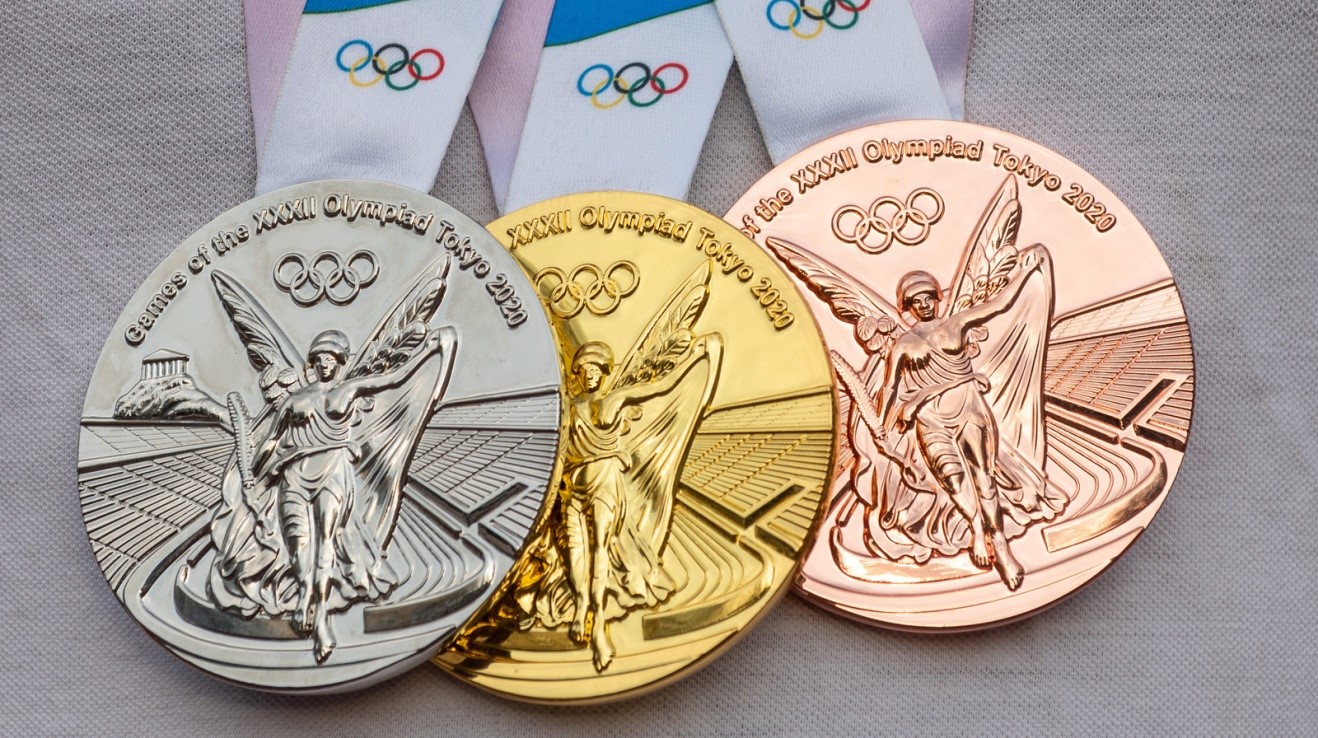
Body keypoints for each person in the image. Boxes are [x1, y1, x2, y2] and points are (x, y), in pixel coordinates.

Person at [257, 327, 445, 662]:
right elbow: (271, 440)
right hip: (293, 475)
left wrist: (429, 350)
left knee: (326, 541)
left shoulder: (349, 389)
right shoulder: (293, 400)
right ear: (312, 363)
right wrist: (255, 470)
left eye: (331, 359)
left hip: (332, 471)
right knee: (298, 544)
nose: (325, 364)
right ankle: (305, 594)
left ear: (339, 362)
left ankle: (321, 618)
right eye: (320, 359)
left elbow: (394, 378)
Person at [875, 250, 1046, 590]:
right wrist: (881, 423)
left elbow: (999, 305)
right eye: (916, 301)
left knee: (984, 477)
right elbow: (889, 386)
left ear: (937, 298)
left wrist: (1025, 273)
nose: (924, 305)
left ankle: (1001, 545)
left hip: (968, 407)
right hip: (930, 418)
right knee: (952, 480)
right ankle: (977, 527)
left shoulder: (956, 323)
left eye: (928, 297)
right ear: (908, 307)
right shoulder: (903, 345)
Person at [561, 338, 712, 670]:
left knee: (600, 549)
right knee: (575, 553)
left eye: (595, 369)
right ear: (577, 373)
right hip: (572, 486)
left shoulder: (613, 400)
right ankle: (581, 603)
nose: (590, 375)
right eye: (584, 370)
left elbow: (658, 387)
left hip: (604, 482)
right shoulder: (570, 405)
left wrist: (693, 357)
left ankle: (599, 625)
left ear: (603, 373)